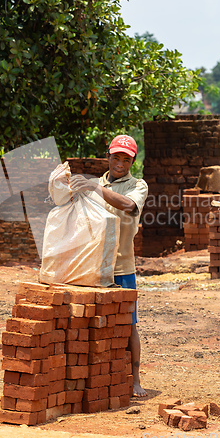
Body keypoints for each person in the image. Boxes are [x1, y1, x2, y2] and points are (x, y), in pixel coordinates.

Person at [70, 134, 148, 397]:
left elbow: (128, 205)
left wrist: (94, 189)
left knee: (130, 325)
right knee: (91, 321)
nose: (120, 164)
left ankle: (135, 379)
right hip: (91, 266)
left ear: (132, 162)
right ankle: (94, 376)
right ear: (108, 156)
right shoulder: (94, 183)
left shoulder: (138, 185)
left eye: (126, 160)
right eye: (116, 158)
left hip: (122, 266)